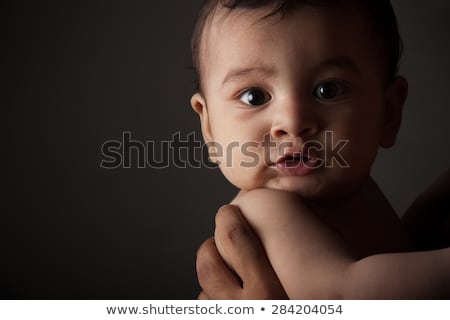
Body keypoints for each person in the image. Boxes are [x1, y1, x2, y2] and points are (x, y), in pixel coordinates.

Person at [190, 0, 450, 299]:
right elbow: (346, 294)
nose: (293, 122)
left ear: (388, 112)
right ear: (209, 128)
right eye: (254, 96)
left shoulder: (354, 189)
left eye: (328, 90)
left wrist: (422, 231)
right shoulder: (265, 209)